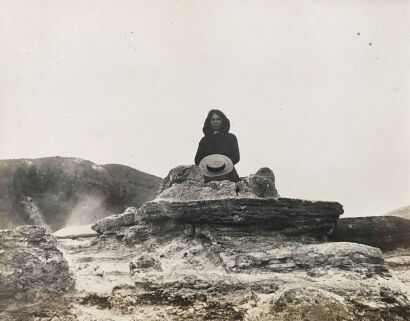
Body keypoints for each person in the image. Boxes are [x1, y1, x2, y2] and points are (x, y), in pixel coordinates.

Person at [195, 109, 240, 182]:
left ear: (223, 121)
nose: (215, 121)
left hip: (229, 174)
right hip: (208, 176)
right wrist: (211, 166)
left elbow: (236, 157)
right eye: (213, 120)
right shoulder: (204, 140)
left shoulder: (231, 137)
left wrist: (222, 165)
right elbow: (197, 160)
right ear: (209, 122)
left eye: (218, 119)